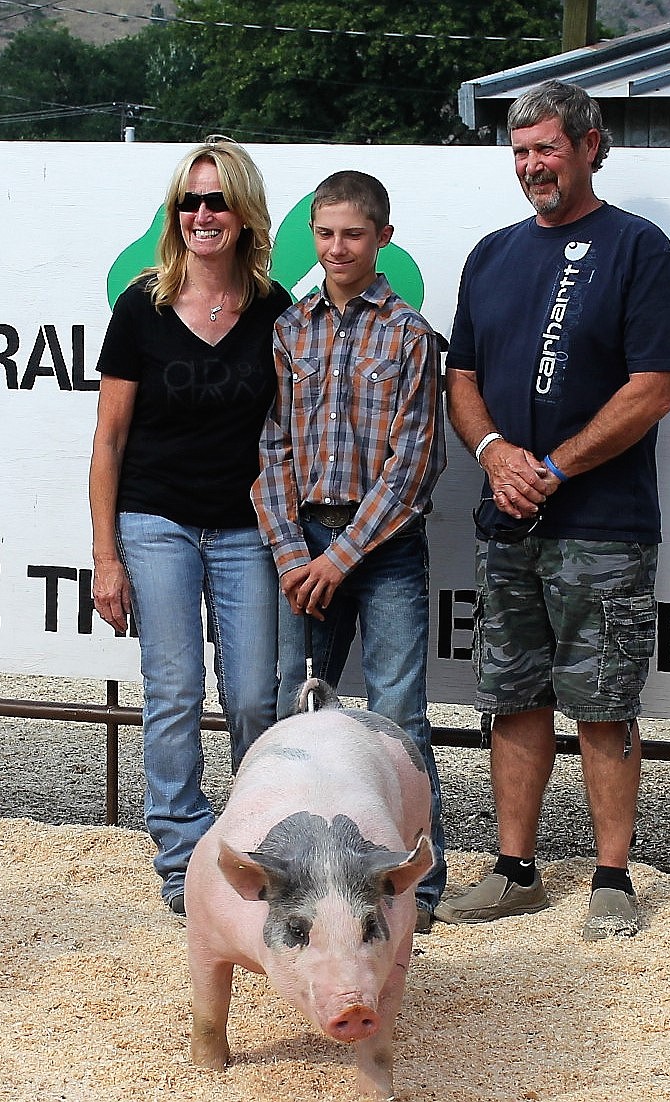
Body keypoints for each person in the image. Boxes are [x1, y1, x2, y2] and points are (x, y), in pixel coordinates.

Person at [437, 80, 670, 940]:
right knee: (511, 696)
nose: (532, 166)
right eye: (519, 152)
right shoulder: (491, 254)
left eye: (546, 148)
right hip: (505, 517)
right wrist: (494, 455)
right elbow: (461, 379)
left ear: (590, 145)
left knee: (604, 699)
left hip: (603, 522)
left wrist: (553, 465)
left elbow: (651, 390)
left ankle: (611, 878)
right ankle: (515, 871)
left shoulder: (639, 250)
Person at [89, 136, 292, 918]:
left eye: (217, 200)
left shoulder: (276, 310)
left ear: (244, 213)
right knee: (171, 691)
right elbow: (108, 439)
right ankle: (180, 858)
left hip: (247, 528)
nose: (202, 214)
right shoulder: (139, 307)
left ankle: (254, 849)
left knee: (251, 698)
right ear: (175, 214)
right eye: (189, 200)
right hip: (155, 520)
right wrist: (105, 556)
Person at [251, 170, 448, 932]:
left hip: (385, 548)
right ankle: (291, 872)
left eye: (353, 235)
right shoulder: (289, 329)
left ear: (382, 240)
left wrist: (340, 559)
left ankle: (415, 889)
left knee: (399, 715)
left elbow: (413, 463)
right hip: (303, 542)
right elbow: (269, 446)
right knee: (291, 712)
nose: (338, 248)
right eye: (325, 234)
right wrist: (290, 552)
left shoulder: (406, 335)